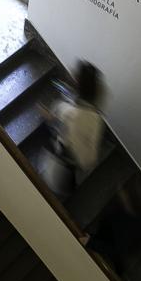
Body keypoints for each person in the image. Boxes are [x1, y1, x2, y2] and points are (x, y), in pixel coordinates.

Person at [40, 61, 105, 197]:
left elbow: (57, 125)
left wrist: (52, 120)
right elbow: (90, 159)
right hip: (72, 167)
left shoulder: (64, 110)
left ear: (76, 83)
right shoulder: (96, 118)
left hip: (57, 171)